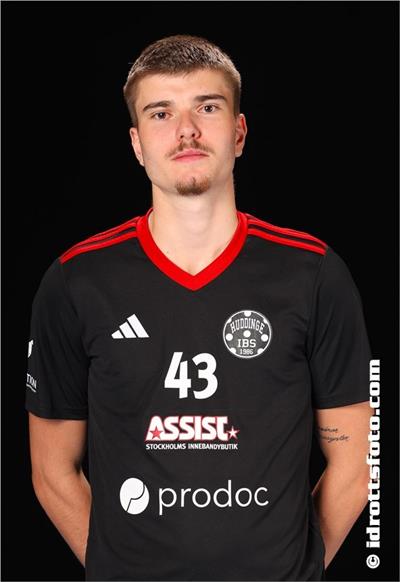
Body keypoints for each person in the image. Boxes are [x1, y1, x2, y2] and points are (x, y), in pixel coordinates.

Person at [25, 34, 373, 581]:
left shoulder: (314, 274)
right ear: (137, 144)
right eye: (161, 113)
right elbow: (51, 470)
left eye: (207, 108)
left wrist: (298, 571)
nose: (186, 130)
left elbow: (357, 461)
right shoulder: (76, 281)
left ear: (239, 132)